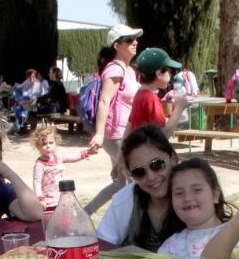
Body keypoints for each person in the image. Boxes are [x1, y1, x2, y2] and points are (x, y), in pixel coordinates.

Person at [96, 124, 185, 250]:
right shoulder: (128, 198)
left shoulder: (194, 195)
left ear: (173, 158)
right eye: (139, 172)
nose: (151, 177)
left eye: (157, 164)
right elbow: (102, 243)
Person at [85, 24, 143, 215]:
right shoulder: (115, 69)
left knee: (121, 183)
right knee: (135, 182)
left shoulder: (129, 71)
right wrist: (100, 134)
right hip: (117, 135)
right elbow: (104, 101)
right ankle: (126, 224)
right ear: (116, 45)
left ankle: (87, 213)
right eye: (129, 39)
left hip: (124, 134)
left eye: (135, 39)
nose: (135, 42)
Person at [158, 158, 239, 258]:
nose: (187, 198)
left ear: (215, 195)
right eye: (179, 193)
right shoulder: (169, 248)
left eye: (196, 190)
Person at [126, 48, 190, 137]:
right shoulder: (151, 99)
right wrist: (179, 107)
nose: (171, 75)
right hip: (150, 149)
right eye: (170, 71)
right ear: (159, 74)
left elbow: (130, 125)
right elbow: (163, 135)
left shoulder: (140, 94)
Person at [31, 124, 94, 211]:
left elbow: (73, 157)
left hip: (61, 198)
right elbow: (36, 182)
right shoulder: (40, 164)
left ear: (56, 143)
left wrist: (87, 153)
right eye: (44, 144)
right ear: (38, 147)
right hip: (48, 202)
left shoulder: (58, 157)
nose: (48, 146)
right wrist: (40, 198)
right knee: (52, 223)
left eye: (51, 143)